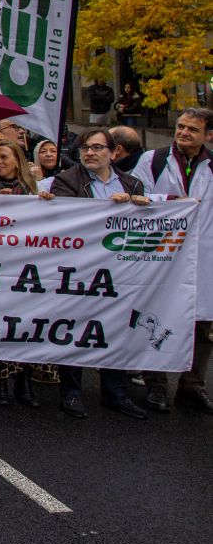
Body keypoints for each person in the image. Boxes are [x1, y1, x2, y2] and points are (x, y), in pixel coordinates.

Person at [52, 128, 154, 420]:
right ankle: (71, 392)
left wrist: (140, 208)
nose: (89, 153)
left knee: (116, 328)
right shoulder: (67, 180)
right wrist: (106, 209)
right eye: (85, 147)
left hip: (118, 272)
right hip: (80, 269)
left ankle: (116, 391)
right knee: (74, 329)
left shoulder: (132, 183)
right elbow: (64, 219)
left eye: (97, 147)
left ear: (113, 152)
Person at [132, 108, 213, 415]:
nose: (183, 133)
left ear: (208, 135)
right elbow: (133, 198)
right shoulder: (153, 161)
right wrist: (165, 203)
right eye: (180, 127)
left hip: (204, 256)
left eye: (192, 129)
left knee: (202, 324)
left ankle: (193, 386)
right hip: (162, 256)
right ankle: (156, 385)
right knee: (157, 318)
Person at [0, 140, 54, 409]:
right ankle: (0, 381)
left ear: (18, 160)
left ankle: (24, 379)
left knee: (26, 324)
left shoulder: (35, 189)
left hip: (26, 266)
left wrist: (46, 203)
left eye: (4, 157)